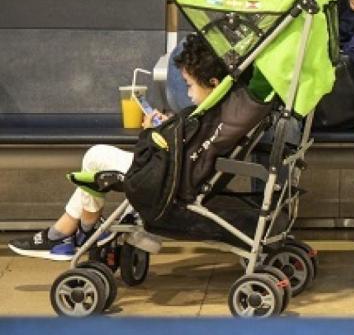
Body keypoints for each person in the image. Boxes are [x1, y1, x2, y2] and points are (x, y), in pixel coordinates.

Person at [8, 34, 228, 260]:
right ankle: (65, 231)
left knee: (95, 156)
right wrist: (167, 125)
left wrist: (152, 132)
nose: (188, 93)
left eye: (189, 85)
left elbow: (183, 150)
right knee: (92, 172)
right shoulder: (224, 111)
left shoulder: (211, 112)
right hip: (173, 169)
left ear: (213, 83)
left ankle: (86, 228)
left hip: (165, 176)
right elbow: (190, 143)